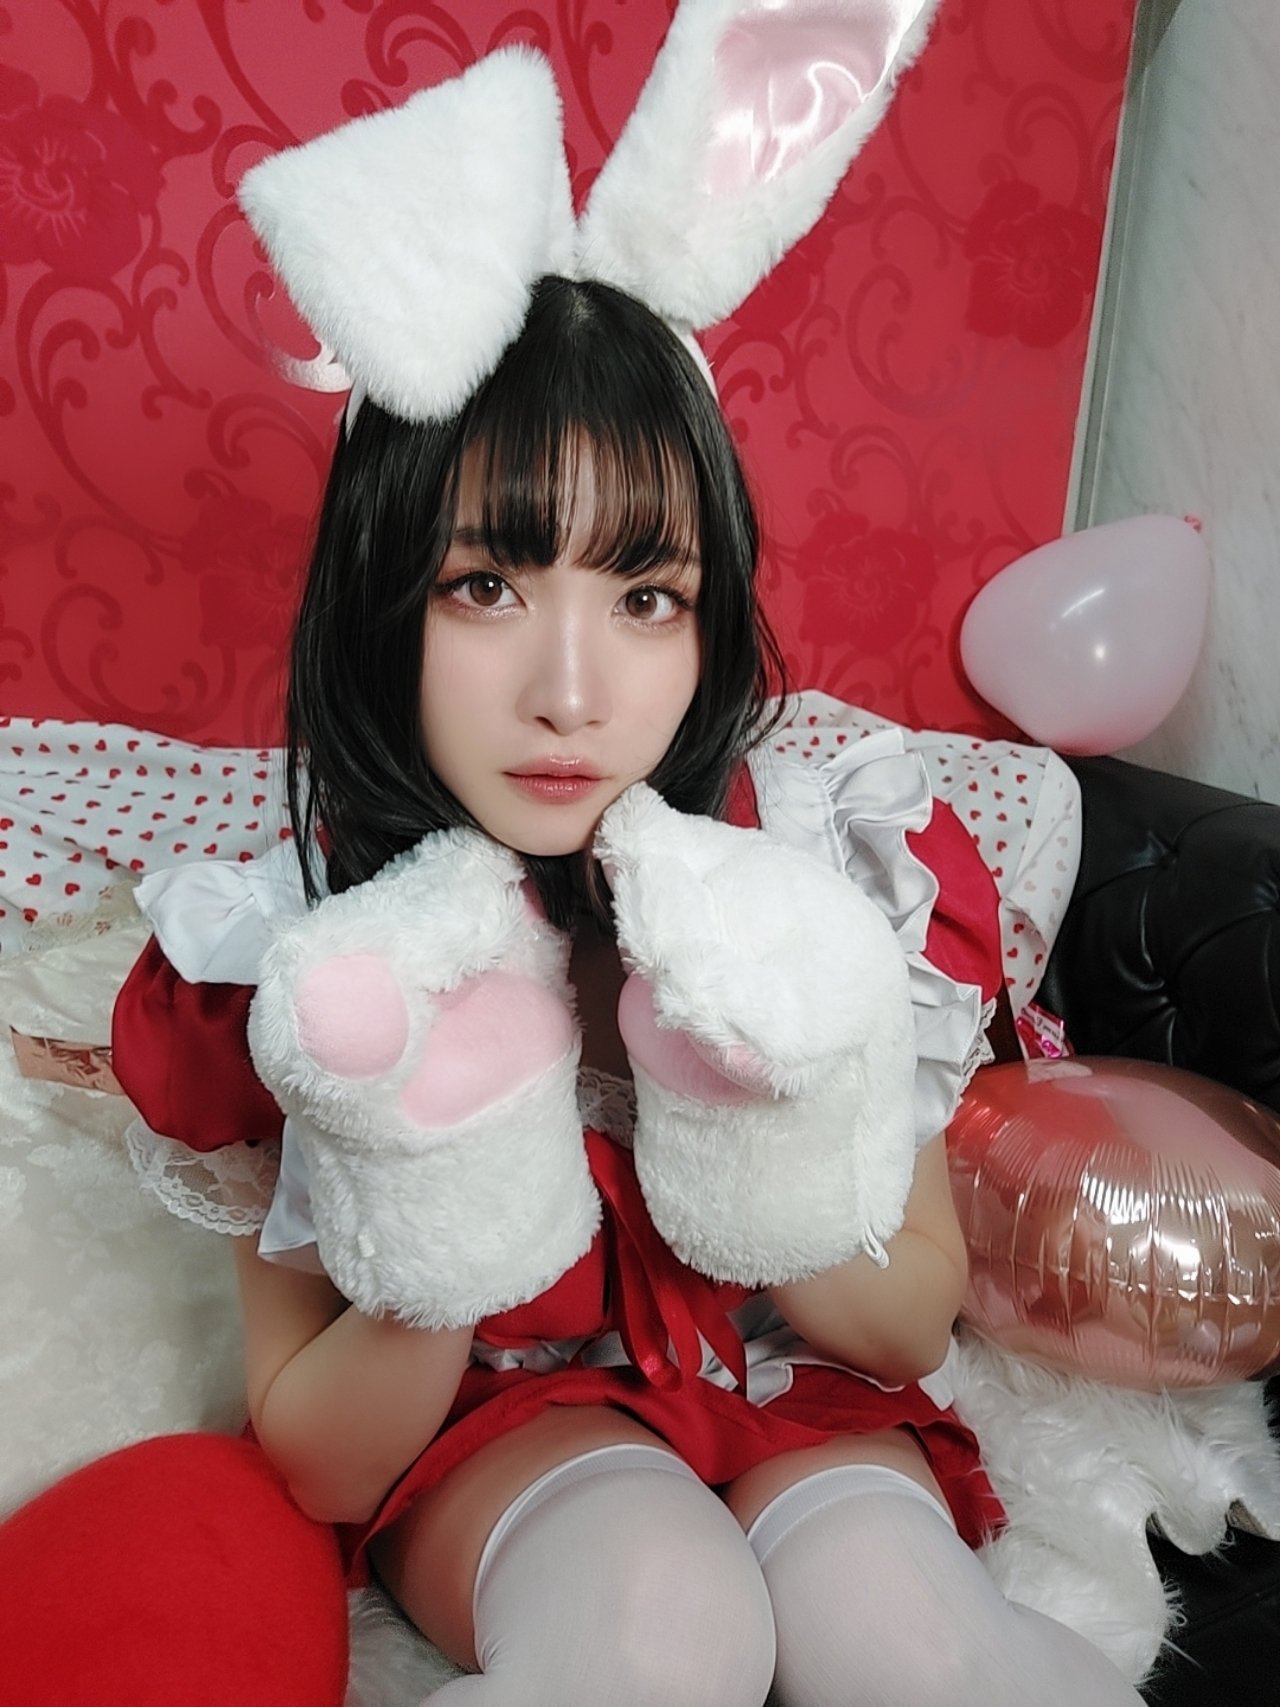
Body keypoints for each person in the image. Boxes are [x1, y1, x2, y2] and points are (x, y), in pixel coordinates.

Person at [102, 13, 1150, 1707]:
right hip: (509, 1429)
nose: (573, 693)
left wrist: (749, 1119)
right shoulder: (313, 956)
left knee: (908, 1643)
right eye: (486, 587)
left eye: (647, 596)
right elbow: (315, 1459)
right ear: (384, 601)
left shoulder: (817, 875)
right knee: (661, 1626)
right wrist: (449, 1190)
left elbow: (908, 1325)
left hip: (797, 1393)